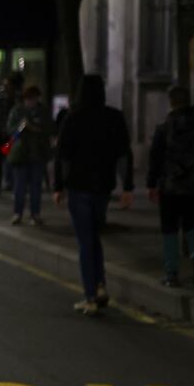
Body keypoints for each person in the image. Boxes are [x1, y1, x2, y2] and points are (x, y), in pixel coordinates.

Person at [53, 74, 133, 316]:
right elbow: (123, 154)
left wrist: (59, 186)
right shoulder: (114, 117)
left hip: (79, 186)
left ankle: (90, 294)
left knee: (86, 241)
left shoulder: (72, 118)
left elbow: (62, 155)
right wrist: (127, 187)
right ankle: (99, 285)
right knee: (94, 237)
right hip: (102, 187)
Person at [146, 85, 194, 287]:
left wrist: (151, 184)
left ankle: (172, 273)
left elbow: (155, 158)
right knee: (193, 224)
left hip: (171, 187)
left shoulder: (165, 128)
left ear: (171, 102)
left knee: (170, 229)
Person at [5, 85, 52, 226]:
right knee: (19, 187)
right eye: (29, 99)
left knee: (36, 187)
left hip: (37, 154)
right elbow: (11, 131)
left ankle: (35, 214)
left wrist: (36, 129)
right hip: (20, 154)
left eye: (35, 98)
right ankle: (17, 213)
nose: (32, 101)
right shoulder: (17, 111)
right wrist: (22, 127)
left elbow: (48, 129)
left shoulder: (43, 111)